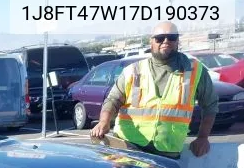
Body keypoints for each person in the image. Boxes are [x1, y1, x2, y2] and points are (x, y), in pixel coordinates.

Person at [90, 21, 218, 159]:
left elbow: (210, 104)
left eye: (171, 37)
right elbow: (113, 100)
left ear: (177, 41)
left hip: (167, 152)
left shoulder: (195, 71)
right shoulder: (133, 71)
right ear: (151, 42)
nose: (166, 41)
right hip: (127, 148)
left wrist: (203, 137)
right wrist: (104, 121)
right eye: (160, 38)